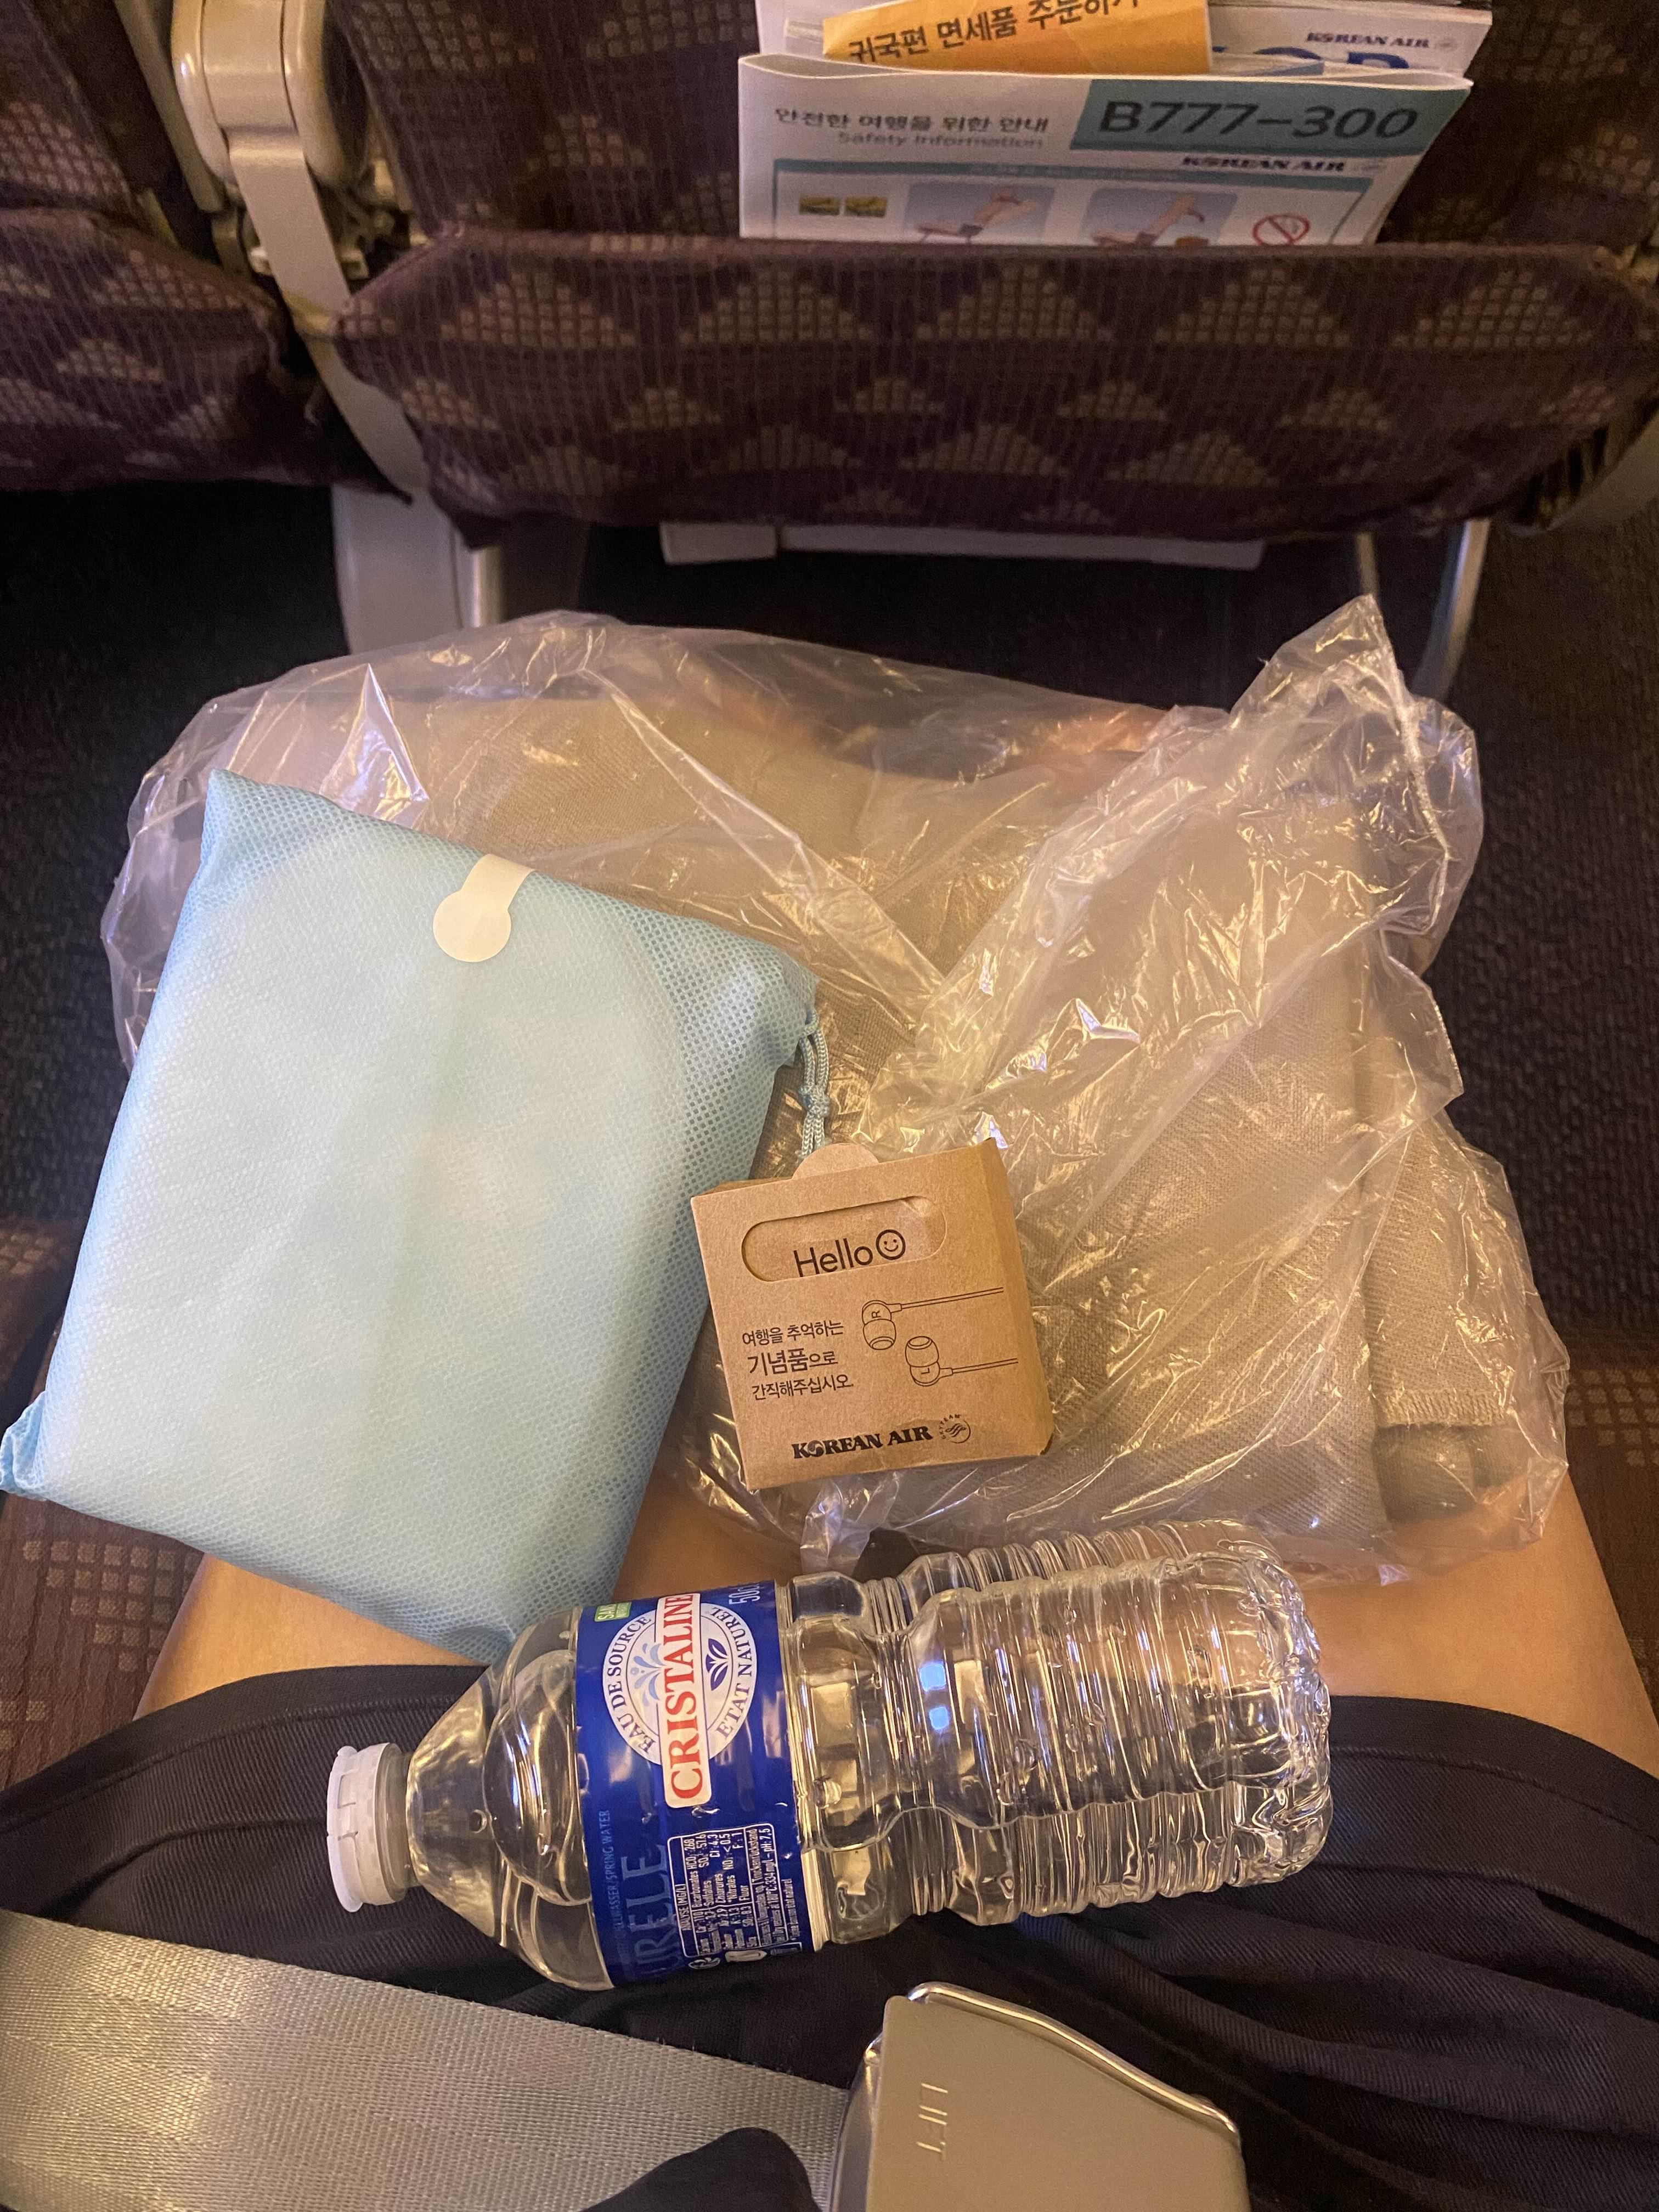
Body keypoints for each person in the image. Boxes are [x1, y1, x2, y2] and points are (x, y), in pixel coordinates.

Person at [3, 1463, 1657, 2210]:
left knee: (648, 1288)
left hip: (412, 2086)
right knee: (1359, 1370)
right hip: (1356, 2118)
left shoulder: (487, 1817)